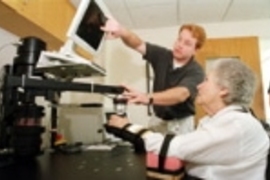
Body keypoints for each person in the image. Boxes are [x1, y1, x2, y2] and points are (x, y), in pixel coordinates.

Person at [106, 58, 270, 180]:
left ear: (223, 90)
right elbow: (186, 146)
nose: (199, 86)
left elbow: (173, 148)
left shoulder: (236, 125)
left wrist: (126, 127)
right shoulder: (225, 120)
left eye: (206, 80)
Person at [101, 18, 206, 134]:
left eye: (187, 43)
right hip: (157, 119)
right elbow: (138, 44)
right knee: (149, 149)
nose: (180, 45)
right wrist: (122, 31)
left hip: (181, 123)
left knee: (176, 152)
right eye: (179, 39)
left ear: (196, 50)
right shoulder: (163, 55)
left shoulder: (196, 71)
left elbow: (181, 94)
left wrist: (147, 98)